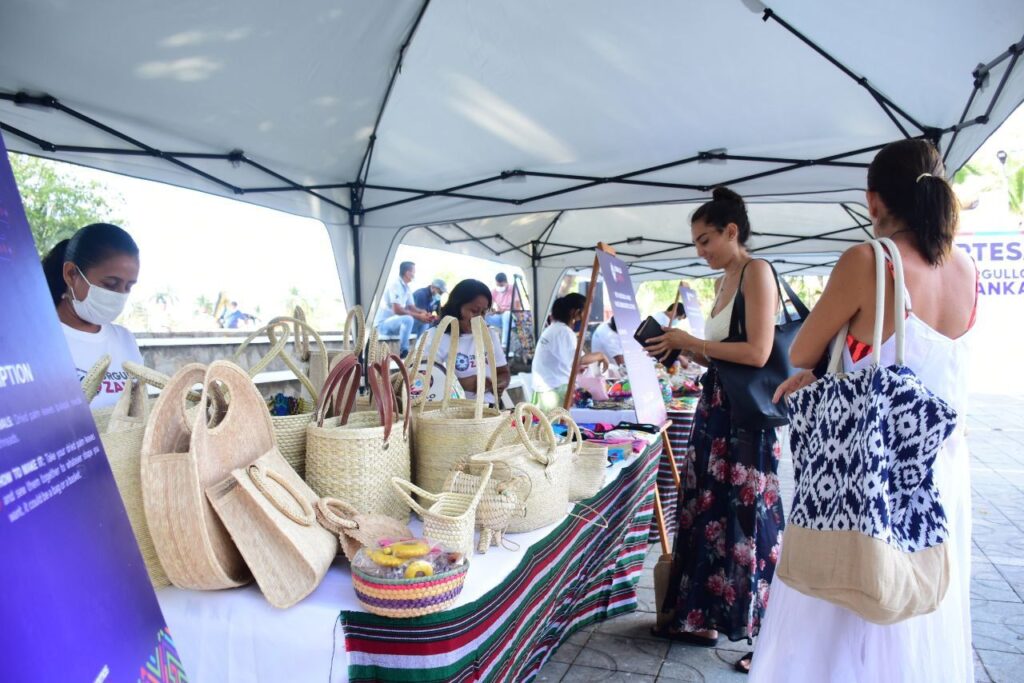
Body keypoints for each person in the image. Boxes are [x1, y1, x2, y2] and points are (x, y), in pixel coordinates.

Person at [750, 140, 977, 682]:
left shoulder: (869, 260)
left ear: (873, 201)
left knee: (845, 606)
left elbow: (802, 352)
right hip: (938, 474)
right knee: (917, 613)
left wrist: (827, 368)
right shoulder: (963, 268)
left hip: (866, 469)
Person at [643, 187, 785, 674]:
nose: (700, 251)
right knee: (708, 515)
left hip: (744, 421)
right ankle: (703, 616)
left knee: (749, 524)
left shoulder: (756, 272)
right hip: (716, 411)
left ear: (732, 232)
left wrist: (692, 340)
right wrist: (682, 349)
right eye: (696, 243)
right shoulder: (725, 279)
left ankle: (766, 637)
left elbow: (759, 353)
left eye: (706, 240)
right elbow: (724, 352)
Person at [42, 223, 144, 409]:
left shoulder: (125, 340)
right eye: (110, 284)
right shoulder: (38, 339)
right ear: (71, 274)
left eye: (128, 286)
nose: (120, 294)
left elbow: (136, 410)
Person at [421, 279, 509, 404]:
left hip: (487, 408)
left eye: (483, 312)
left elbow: (503, 372)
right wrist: (463, 384)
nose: (479, 318)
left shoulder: (489, 335)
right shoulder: (434, 337)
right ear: (456, 307)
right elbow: (423, 382)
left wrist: (498, 384)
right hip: (448, 411)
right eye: (474, 311)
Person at [530, 293, 610, 410]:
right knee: (558, 426)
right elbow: (578, 360)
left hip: (546, 390)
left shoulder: (554, 329)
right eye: (585, 313)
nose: (587, 318)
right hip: (554, 391)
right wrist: (601, 355)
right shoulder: (564, 332)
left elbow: (566, 360)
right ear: (576, 313)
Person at [374, 261, 432, 358]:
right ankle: (403, 351)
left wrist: (423, 313)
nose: (414, 274)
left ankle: (419, 351)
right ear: (408, 273)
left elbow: (411, 307)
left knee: (425, 322)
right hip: (383, 325)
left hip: (396, 324)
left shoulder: (407, 288)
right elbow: (397, 310)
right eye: (414, 272)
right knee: (408, 319)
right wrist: (418, 316)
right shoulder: (395, 285)